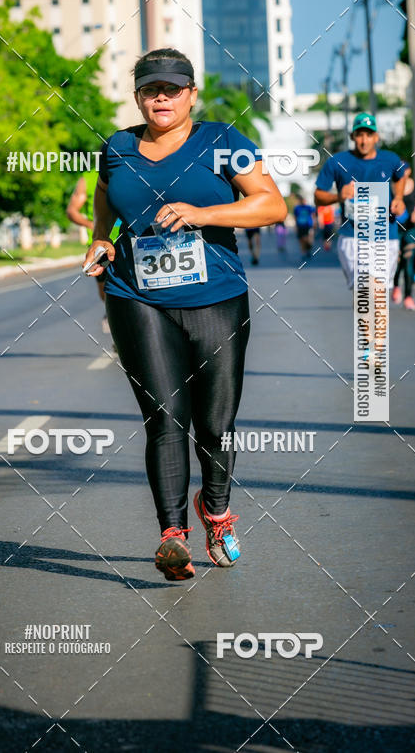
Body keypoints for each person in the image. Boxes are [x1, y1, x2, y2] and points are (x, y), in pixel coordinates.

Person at [83, 47, 287, 581]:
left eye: (173, 88)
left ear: (191, 94)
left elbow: (271, 204)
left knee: (216, 425)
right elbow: (105, 196)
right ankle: (172, 535)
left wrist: (204, 214)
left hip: (216, 297)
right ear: (138, 97)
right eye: (152, 89)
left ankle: (216, 512)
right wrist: (102, 238)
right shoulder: (117, 148)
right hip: (136, 297)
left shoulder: (224, 143)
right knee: (164, 420)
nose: (162, 98)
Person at [314, 112, 407, 294]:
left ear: (376, 137)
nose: (364, 141)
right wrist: (339, 196)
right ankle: (367, 322)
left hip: (384, 235)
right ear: (352, 137)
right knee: (364, 295)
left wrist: (399, 198)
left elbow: (400, 175)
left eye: (369, 135)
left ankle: (375, 323)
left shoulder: (390, 159)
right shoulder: (338, 162)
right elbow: (318, 197)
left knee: (377, 296)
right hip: (352, 237)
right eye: (359, 135)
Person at [67, 170, 119, 334]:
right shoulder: (89, 178)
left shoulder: (130, 168)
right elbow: (72, 210)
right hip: (101, 247)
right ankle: (113, 317)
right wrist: (92, 225)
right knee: (105, 290)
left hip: (129, 242)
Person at [392, 174, 415, 310]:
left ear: (409, 171)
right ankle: (396, 286)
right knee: (397, 261)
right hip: (394, 229)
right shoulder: (390, 185)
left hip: (411, 229)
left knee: (408, 261)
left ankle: (408, 297)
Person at [293, 194, 316, 259]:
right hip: (300, 226)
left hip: (308, 225)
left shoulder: (309, 207)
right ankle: (303, 253)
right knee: (301, 240)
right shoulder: (297, 208)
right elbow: (295, 217)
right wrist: (296, 226)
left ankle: (308, 249)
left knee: (308, 239)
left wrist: (314, 223)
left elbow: (313, 215)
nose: (303, 202)